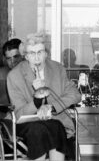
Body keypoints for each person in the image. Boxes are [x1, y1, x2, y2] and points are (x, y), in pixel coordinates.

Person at [7, 33, 81, 161]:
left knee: (56, 125)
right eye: (31, 53)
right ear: (26, 56)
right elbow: (19, 113)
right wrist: (36, 101)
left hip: (55, 120)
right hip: (26, 123)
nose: (36, 58)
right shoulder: (14, 76)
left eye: (40, 52)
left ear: (46, 53)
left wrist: (51, 108)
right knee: (39, 129)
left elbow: (75, 94)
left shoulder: (57, 69)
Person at [0, 38, 23, 105]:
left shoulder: (34, 73)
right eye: (9, 58)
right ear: (4, 59)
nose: (13, 61)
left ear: (24, 55)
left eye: (16, 56)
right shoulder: (1, 75)